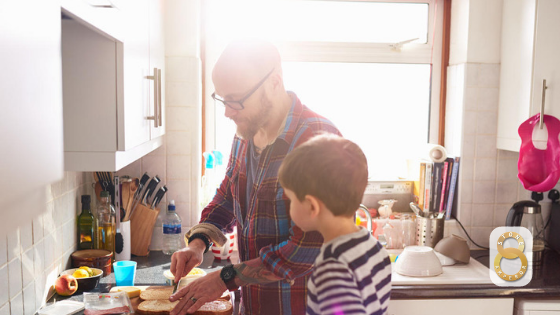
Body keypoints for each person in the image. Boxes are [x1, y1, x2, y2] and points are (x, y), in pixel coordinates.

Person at [169, 39, 341, 315]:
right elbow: (227, 197)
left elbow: (306, 250)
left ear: (274, 82)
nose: (227, 112)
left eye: (235, 100)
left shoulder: (318, 141)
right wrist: (198, 243)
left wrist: (226, 278)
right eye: (223, 99)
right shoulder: (246, 133)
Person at [278, 134, 392, 315]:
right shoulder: (373, 246)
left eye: (290, 199)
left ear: (311, 206)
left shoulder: (333, 265)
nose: (289, 206)